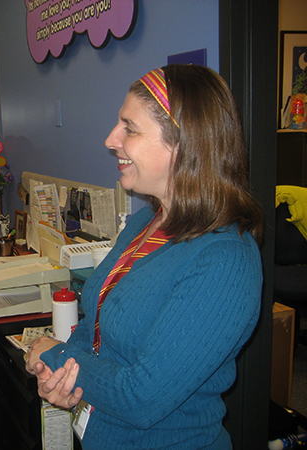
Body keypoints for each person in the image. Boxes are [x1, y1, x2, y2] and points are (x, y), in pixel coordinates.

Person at [25, 64, 263, 450]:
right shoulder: (144, 223)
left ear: (185, 144)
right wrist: (67, 376)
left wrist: (57, 354)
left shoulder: (226, 260)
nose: (111, 139)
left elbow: (141, 397)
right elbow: (95, 323)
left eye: (129, 128)